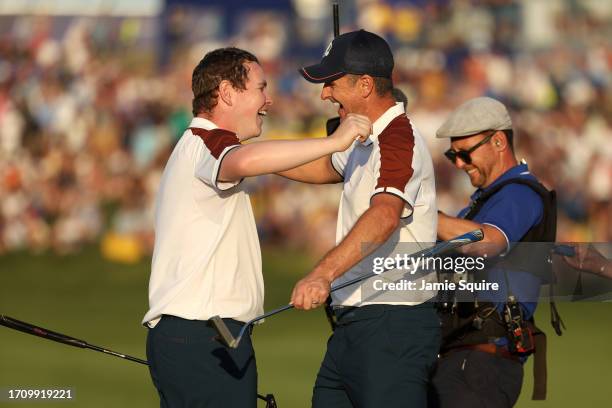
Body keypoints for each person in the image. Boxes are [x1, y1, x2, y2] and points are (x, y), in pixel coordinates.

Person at [142, 47, 371, 408]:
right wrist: (335, 140)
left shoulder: (206, 145)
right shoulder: (209, 141)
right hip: (201, 334)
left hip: (209, 335)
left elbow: (315, 169)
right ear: (227, 93)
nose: (269, 99)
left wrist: (344, 152)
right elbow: (246, 160)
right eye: (261, 88)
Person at [279, 30, 440, 408]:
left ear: (365, 85)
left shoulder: (400, 138)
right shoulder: (364, 140)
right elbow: (319, 167)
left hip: (392, 322)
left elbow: (384, 215)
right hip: (357, 321)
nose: (324, 94)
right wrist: (248, 158)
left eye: (332, 84)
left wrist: (322, 273)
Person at [430, 97, 558, 407]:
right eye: (452, 155)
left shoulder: (519, 193)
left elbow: (487, 241)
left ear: (499, 141)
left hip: (480, 364)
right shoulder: (483, 203)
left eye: (464, 153)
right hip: (464, 361)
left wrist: (420, 215)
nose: (459, 163)